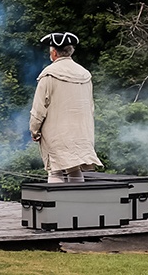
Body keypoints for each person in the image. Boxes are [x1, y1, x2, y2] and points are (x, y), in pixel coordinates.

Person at [29, 32, 102, 183]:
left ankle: (56, 206)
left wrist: (34, 131)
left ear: (54, 53)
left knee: (55, 170)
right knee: (75, 168)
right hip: (82, 133)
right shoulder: (85, 74)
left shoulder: (49, 74)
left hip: (57, 134)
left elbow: (38, 110)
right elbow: (91, 107)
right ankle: (78, 205)